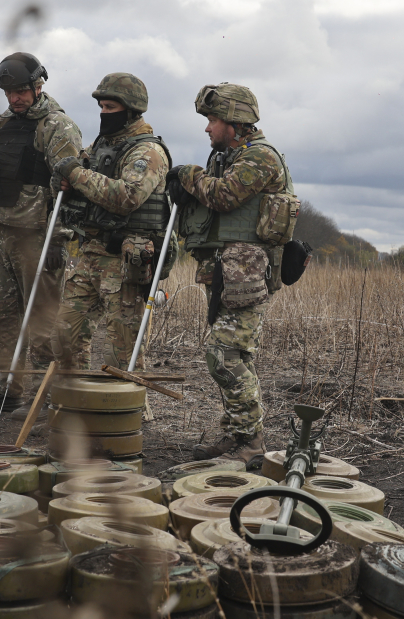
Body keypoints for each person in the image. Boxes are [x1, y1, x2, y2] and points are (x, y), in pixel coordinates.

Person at [167, 83, 297, 468]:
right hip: (227, 271)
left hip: (248, 273)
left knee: (222, 354)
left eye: (213, 119)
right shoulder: (229, 157)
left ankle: (251, 443)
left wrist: (188, 176)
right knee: (234, 353)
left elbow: (224, 196)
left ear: (235, 122)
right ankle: (240, 434)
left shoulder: (260, 157)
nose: (207, 128)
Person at [0, 52, 82, 419]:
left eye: (21, 92)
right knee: (4, 317)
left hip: (37, 236)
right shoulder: (4, 124)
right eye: (9, 93)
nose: (15, 99)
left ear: (38, 86)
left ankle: (44, 393)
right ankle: (9, 389)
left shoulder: (58, 126)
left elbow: (71, 187)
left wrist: (59, 238)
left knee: (41, 319)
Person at [50, 72, 172, 373]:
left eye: (110, 108)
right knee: (65, 335)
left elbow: (128, 196)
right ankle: (76, 395)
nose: (104, 113)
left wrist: (76, 174)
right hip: (91, 254)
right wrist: (63, 183)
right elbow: (80, 180)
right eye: (101, 107)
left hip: (125, 261)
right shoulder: (101, 146)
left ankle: (125, 402)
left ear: (131, 111)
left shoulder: (147, 152)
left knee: (123, 353)